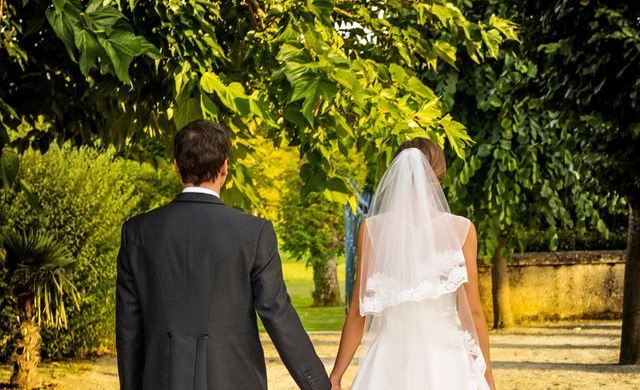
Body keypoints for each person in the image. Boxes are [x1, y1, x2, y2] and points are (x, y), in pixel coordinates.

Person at [116, 120, 331, 390]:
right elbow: (278, 313)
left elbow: (128, 329)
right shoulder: (253, 233)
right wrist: (319, 385)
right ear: (224, 168)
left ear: (176, 166)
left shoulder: (137, 233)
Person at [329, 138, 497, 390]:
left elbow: (357, 311)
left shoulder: (372, 230)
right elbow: (471, 313)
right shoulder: (461, 230)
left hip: (387, 361)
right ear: (440, 174)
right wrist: (488, 379)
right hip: (448, 364)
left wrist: (336, 375)